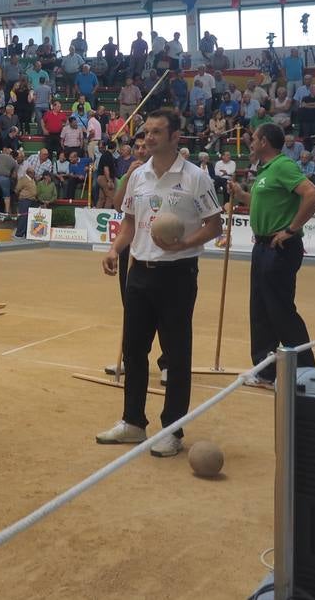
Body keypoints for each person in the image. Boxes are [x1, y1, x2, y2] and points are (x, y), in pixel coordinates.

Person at [97, 109, 222, 458]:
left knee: (177, 355)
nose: (148, 137)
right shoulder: (138, 176)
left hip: (178, 274)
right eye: (146, 131)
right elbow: (129, 224)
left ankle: (172, 430)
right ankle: (133, 423)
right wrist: (114, 249)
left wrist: (184, 243)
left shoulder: (196, 177)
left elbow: (215, 225)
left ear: (174, 137)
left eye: (156, 132)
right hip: (139, 270)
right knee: (135, 351)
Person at [227, 124, 315, 387]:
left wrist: (291, 230)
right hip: (262, 247)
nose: (250, 143)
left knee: (280, 310)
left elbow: (313, 195)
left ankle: (304, 372)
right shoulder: (265, 171)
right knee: (260, 309)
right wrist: (242, 195)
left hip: (279, 248)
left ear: (265, 142)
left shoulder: (282, 166)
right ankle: (265, 370)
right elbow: (263, 202)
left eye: (254, 139)